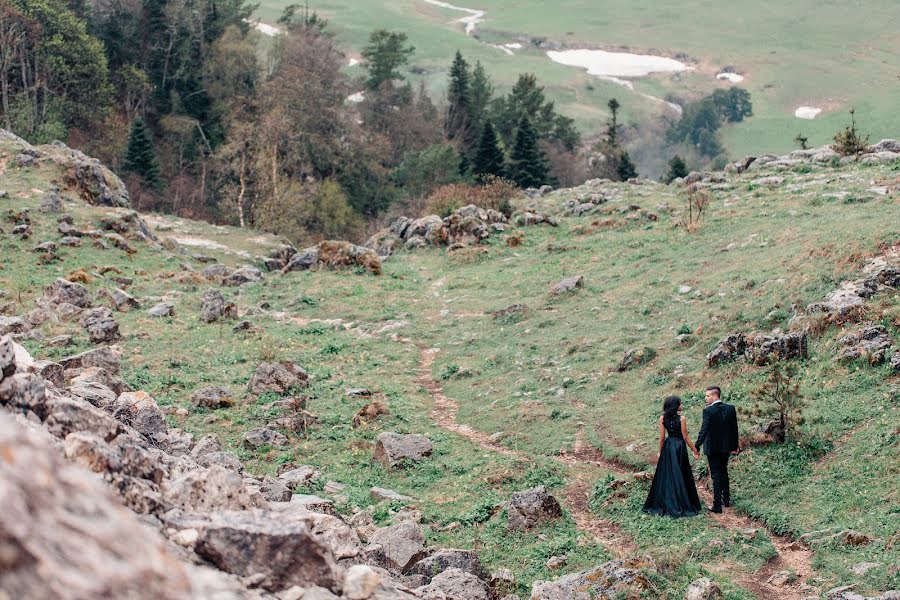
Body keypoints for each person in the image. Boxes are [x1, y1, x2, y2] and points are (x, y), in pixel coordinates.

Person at [642, 395, 702, 517]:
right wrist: (695, 450)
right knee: (681, 473)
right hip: (679, 447)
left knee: (667, 475)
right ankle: (683, 501)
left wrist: (660, 451)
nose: (681, 405)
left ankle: (666, 500)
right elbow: (685, 437)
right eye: (680, 403)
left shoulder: (662, 418)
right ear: (676, 405)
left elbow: (662, 438)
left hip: (669, 447)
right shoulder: (682, 419)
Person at [694, 385, 739, 513]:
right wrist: (735, 446)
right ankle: (726, 500)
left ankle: (717, 505)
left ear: (715, 396)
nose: (705, 398)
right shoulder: (730, 409)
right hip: (726, 447)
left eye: (707, 396)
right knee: (724, 472)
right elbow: (734, 429)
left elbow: (704, 430)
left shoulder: (708, 411)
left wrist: (696, 446)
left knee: (716, 475)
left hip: (713, 448)